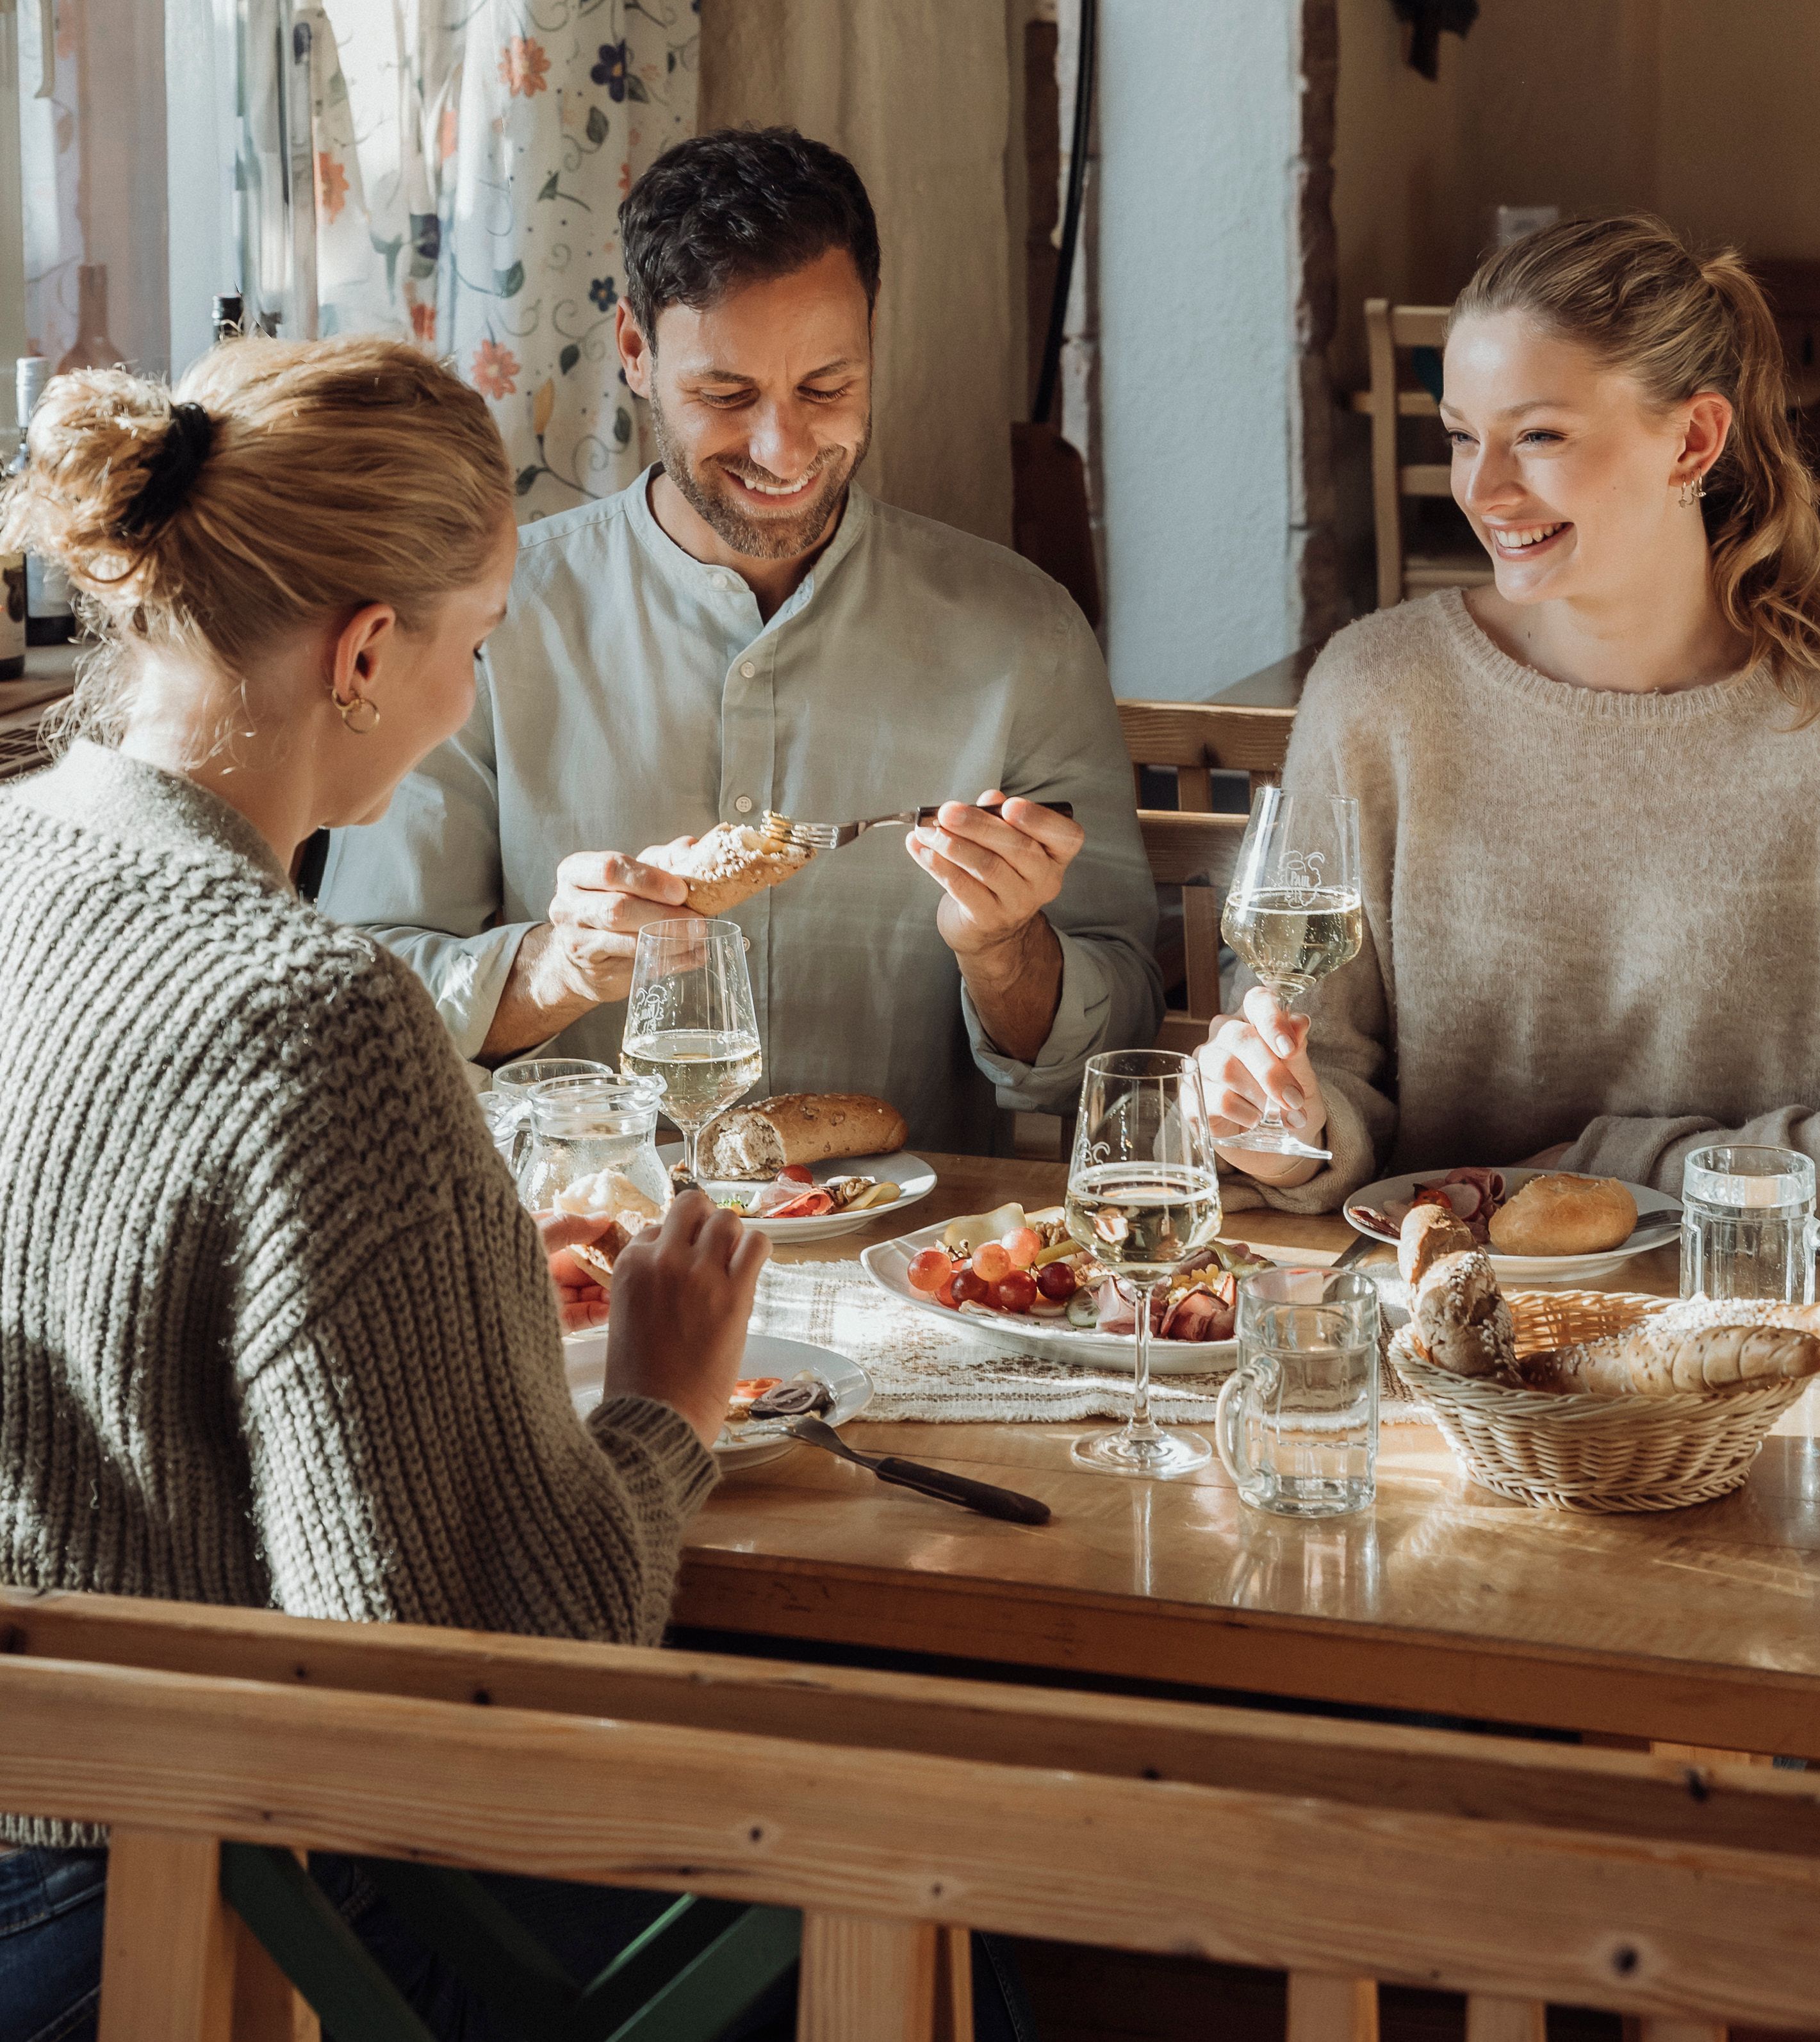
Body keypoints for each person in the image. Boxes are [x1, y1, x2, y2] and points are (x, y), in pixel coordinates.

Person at [0, 337, 769, 2028]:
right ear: (364, 651)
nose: (467, 691)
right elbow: (488, 1665)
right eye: (475, 641)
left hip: (46, 1866)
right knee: (900, 1922)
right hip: (181, 1922)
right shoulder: (322, 1015)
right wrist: (669, 1407)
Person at [1201, 215, 1820, 1235]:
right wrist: (1281, 1130)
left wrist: (1594, 1172)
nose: (1485, 488)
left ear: (1693, 439)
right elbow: (1322, 1074)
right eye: (1463, 435)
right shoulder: (1378, 686)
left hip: (1771, 1327)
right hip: (1438, 1327)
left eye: (1539, 435)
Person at [318, 126, 1160, 1144]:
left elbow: (1129, 1029)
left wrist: (1006, 949)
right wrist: (557, 965)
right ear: (635, 351)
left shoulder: (1024, 636)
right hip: (579, 1255)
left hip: (911, 1263)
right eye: (725, 395)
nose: (783, 448)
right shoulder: (484, 621)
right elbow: (359, 1000)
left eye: (826, 388)